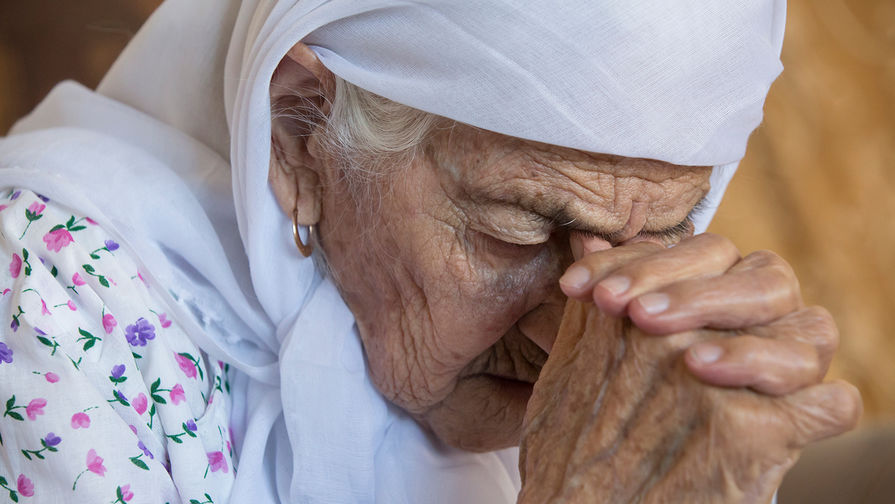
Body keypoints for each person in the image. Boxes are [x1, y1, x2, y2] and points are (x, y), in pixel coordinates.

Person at [0, 0, 860, 503]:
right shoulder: (37, 302)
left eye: (665, 231)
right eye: (515, 228)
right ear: (301, 131)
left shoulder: (638, 362)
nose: (575, 337)